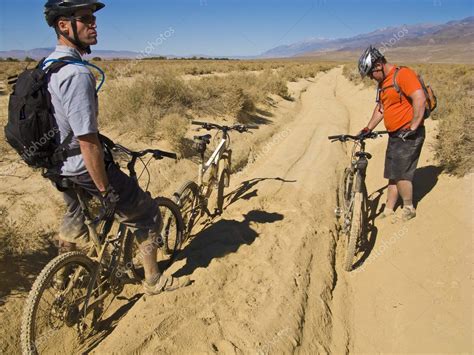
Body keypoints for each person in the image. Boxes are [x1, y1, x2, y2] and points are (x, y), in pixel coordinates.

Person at [43, 0, 190, 294]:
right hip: (82, 165)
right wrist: (104, 189)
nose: (94, 25)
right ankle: (153, 280)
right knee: (146, 213)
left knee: (74, 215)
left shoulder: (47, 66)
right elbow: (87, 140)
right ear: (63, 25)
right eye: (86, 18)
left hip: (57, 166)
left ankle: (62, 281)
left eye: (93, 19)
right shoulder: (77, 74)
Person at [357, 46, 426, 222]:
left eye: (371, 73)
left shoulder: (403, 74)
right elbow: (381, 108)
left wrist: (413, 126)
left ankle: (409, 208)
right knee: (392, 173)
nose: (371, 78)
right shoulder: (383, 84)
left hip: (408, 134)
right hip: (395, 135)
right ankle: (388, 209)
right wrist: (368, 128)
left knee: (402, 173)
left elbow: (419, 98)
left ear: (379, 64)